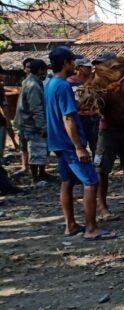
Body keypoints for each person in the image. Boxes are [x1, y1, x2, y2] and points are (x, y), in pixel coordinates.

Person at [45, 46, 116, 240]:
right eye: (73, 61)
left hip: (57, 142)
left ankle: (71, 225)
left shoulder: (50, 84)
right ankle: (91, 229)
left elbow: (65, 111)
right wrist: (79, 147)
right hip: (70, 144)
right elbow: (68, 119)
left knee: (67, 182)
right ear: (66, 63)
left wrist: (82, 102)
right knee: (91, 182)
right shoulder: (63, 85)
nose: (75, 65)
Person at [15, 59, 52, 187]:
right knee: (36, 149)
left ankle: (42, 173)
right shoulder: (33, 85)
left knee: (40, 149)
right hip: (31, 123)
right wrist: (42, 126)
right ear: (41, 70)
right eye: (45, 70)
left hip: (27, 121)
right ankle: (36, 177)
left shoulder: (29, 81)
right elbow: (36, 108)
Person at [67, 57, 100, 157]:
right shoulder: (69, 82)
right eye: (88, 67)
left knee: (96, 145)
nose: (90, 69)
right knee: (80, 143)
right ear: (79, 68)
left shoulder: (94, 80)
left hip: (94, 117)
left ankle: (96, 166)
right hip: (79, 118)